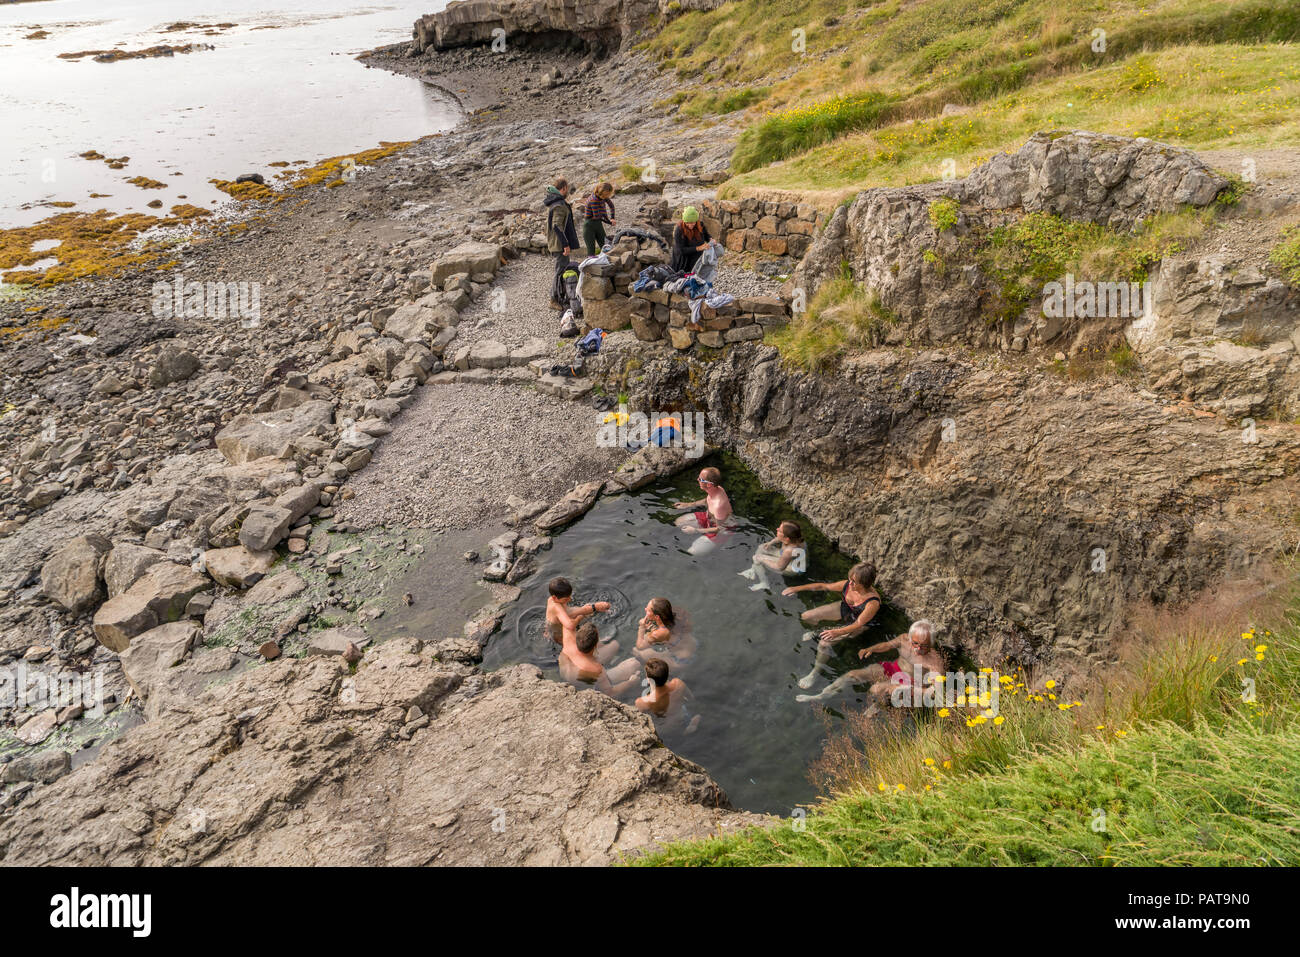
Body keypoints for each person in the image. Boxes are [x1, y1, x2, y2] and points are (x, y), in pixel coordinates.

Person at [784, 562, 882, 689]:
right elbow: (822, 586)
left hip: (860, 623)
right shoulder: (847, 585)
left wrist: (838, 632)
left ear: (864, 584)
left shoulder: (872, 602)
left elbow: (859, 623)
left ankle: (814, 673)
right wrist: (796, 588)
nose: (850, 583)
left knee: (824, 643)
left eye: (854, 581)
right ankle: (817, 632)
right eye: (850, 579)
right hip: (847, 609)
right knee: (807, 616)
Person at [796, 620, 945, 704]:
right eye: (916, 643)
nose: (918, 649)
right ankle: (821, 696)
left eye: (924, 646)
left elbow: (935, 692)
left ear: (931, 644)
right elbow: (887, 645)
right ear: (911, 638)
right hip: (892, 669)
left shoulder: (935, 662)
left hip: (910, 683)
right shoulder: (904, 639)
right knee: (852, 675)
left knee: (876, 689)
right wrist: (871, 649)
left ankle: (879, 706)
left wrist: (908, 689)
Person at [559, 620, 643, 696]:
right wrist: (631, 683)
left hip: (568, 676)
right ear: (595, 645)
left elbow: (567, 622)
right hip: (588, 685)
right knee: (634, 664)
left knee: (614, 645)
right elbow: (610, 693)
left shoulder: (568, 643)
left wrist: (586, 611)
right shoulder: (596, 669)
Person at [545, 577, 616, 663]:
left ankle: (595, 607)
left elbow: (564, 614)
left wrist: (591, 608)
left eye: (569, 596)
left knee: (584, 610)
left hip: (553, 629)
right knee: (591, 647)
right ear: (555, 597)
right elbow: (570, 626)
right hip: (560, 636)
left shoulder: (551, 600)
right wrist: (581, 616)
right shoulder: (556, 607)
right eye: (566, 599)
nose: (570, 599)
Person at [671, 465, 732, 555]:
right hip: (709, 517)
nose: (697, 480)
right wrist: (688, 505)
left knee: (692, 552)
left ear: (708, 484)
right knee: (678, 522)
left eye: (700, 479)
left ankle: (717, 547)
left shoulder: (719, 505)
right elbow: (707, 500)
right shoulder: (716, 489)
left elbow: (720, 528)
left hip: (720, 532)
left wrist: (695, 530)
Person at [634, 657, 700, 733]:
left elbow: (639, 721)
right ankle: (689, 727)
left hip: (663, 727)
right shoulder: (678, 683)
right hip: (682, 717)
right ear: (667, 674)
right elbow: (691, 698)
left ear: (648, 679)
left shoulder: (642, 702)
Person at [739, 520, 806, 592]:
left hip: (793, 569)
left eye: (779, 531)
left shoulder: (789, 551)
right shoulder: (795, 538)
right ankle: (753, 569)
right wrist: (771, 543)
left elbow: (779, 567)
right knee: (762, 547)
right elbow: (780, 538)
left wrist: (762, 559)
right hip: (788, 559)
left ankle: (764, 583)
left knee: (757, 558)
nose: (776, 529)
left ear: (787, 538)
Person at [632, 597, 697, 670]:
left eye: (648, 610)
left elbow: (639, 646)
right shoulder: (678, 614)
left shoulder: (658, 633)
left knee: (636, 651)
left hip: (680, 661)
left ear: (657, 617)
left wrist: (642, 627)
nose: (645, 609)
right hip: (693, 645)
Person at [545, 177, 578, 310]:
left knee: (563, 269)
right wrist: (565, 244)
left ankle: (561, 295)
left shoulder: (556, 202)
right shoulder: (559, 205)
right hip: (559, 245)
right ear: (563, 188)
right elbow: (557, 226)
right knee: (560, 271)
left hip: (557, 243)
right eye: (567, 188)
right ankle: (553, 300)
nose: (568, 190)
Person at [670, 206, 712, 274]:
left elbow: (706, 235)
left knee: (698, 276)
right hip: (683, 261)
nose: (690, 225)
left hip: (697, 257)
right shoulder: (679, 230)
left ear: (696, 221)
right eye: (687, 222)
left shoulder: (700, 225)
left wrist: (710, 239)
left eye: (692, 222)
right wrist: (699, 248)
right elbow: (682, 250)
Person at [580, 181, 616, 256]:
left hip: (598, 223)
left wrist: (612, 218)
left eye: (608, 195)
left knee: (605, 247)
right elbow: (598, 216)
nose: (607, 196)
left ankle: (608, 264)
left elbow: (611, 206)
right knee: (591, 252)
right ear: (601, 192)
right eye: (606, 195)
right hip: (589, 225)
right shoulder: (594, 200)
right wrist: (609, 222)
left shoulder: (603, 196)